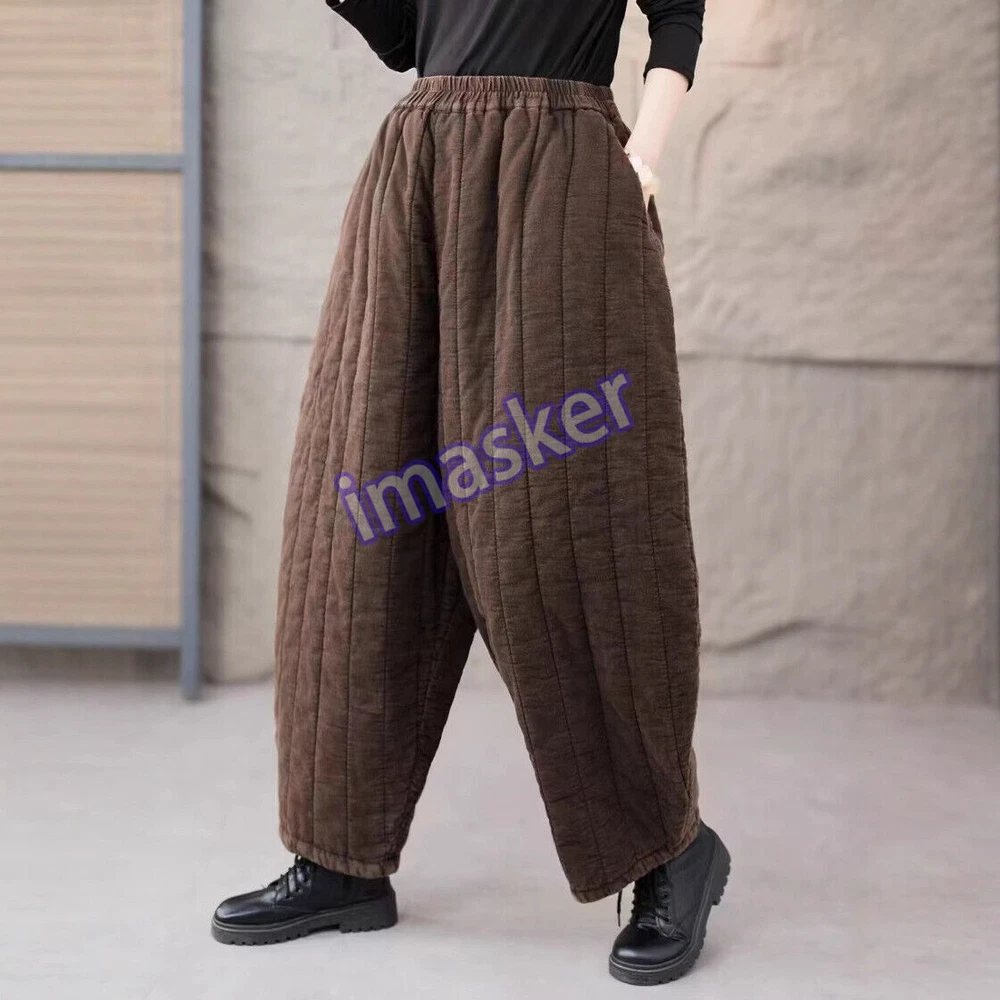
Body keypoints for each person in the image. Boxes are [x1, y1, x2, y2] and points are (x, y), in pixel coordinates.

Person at [212, 0, 730, 985]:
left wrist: (640, 161)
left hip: (561, 171)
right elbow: (408, 39)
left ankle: (670, 851)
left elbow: (677, 17)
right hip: (419, 171)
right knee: (363, 517)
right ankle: (339, 856)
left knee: (573, 530)